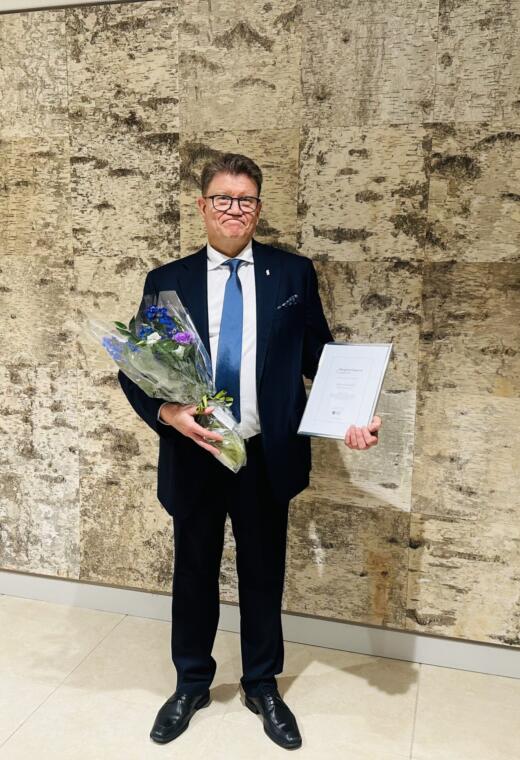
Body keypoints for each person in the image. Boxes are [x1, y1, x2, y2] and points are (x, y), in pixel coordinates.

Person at [118, 153, 382, 750]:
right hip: (197, 451)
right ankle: (191, 683)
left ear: (258, 208)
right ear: (202, 206)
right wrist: (167, 414)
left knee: (263, 574)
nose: (234, 209)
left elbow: (321, 359)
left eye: (245, 199)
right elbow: (137, 369)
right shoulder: (167, 280)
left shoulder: (292, 274)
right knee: (194, 574)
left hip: (266, 455)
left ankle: (262, 685)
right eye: (223, 198)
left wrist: (354, 415)